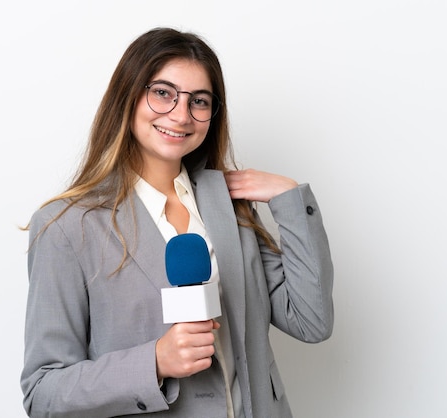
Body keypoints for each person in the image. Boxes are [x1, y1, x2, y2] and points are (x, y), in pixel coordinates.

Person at [20, 27, 334, 418]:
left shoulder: (230, 208)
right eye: (163, 93)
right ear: (128, 96)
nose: (181, 115)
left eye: (198, 101)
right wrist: (154, 361)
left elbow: (312, 321)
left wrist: (289, 199)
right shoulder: (66, 227)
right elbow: (43, 392)